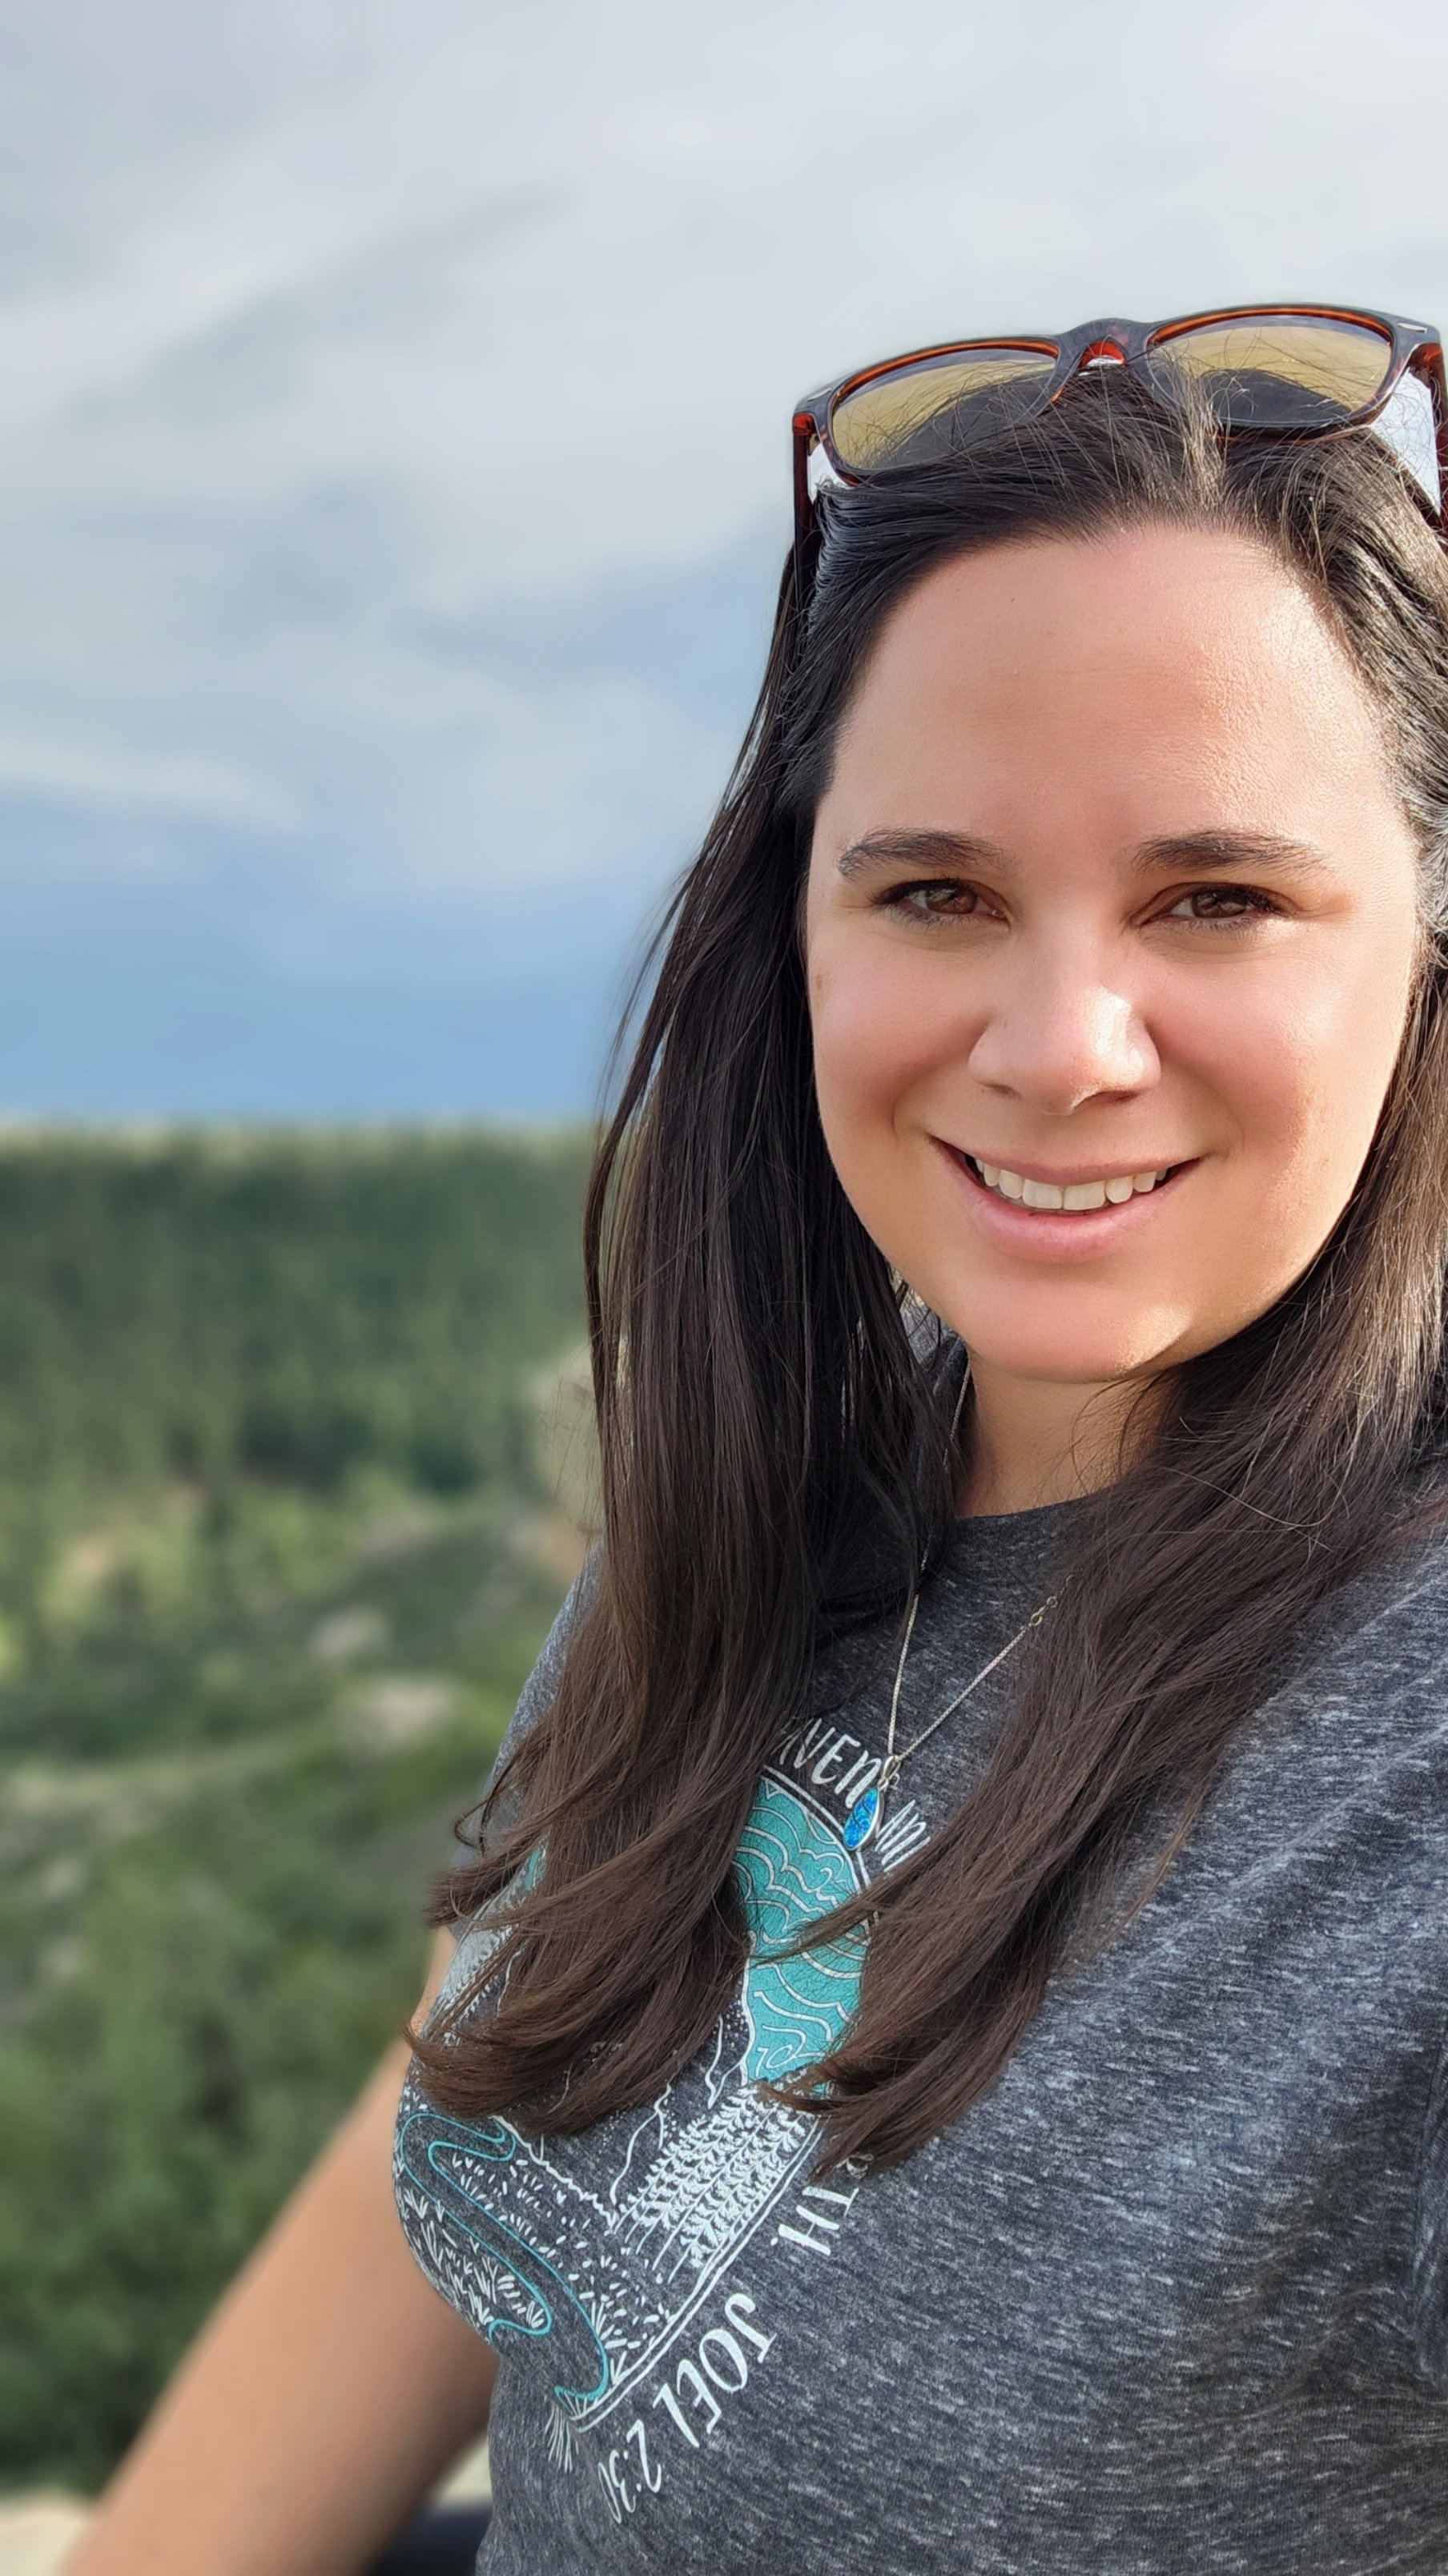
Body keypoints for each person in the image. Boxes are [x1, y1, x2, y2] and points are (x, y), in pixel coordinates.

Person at [73, 306, 1448, 2575]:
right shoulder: (778, 1521)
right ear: (795, 928)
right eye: (939, 892)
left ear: (1418, 945)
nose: (1064, 1041)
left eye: (1217, 897)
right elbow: (480, 2091)